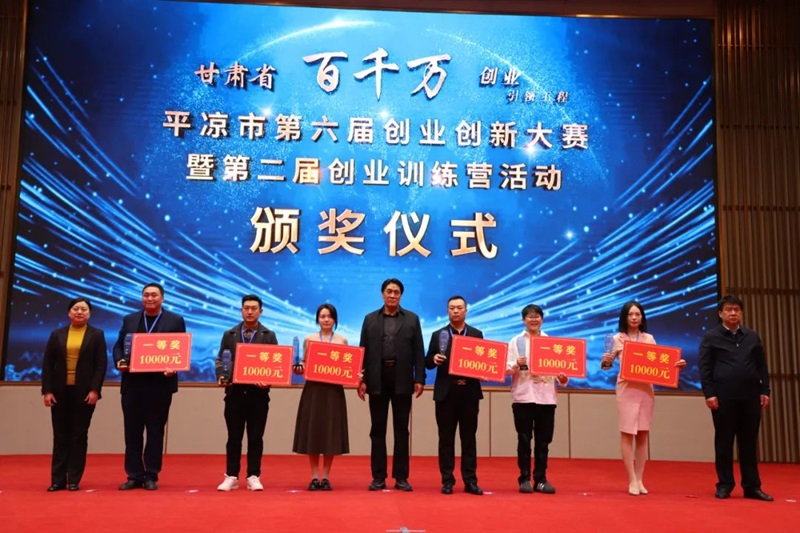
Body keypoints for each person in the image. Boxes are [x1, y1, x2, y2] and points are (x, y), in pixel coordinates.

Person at [601, 301, 686, 496]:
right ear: (624, 317)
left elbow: (659, 363)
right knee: (627, 433)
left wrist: (676, 365)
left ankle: (640, 479)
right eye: (630, 314)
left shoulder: (649, 338)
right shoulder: (617, 339)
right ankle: (631, 479)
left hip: (646, 390)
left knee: (642, 435)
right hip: (626, 390)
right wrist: (606, 361)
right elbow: (606, 367)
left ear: (642, 317)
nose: (633, 318)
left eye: (637, 314)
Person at [113, 282, 186, 491]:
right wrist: (119, 361)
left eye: (154, 295)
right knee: (132, 432)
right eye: (146, 295)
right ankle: (134, 475)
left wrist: (174, 368)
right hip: (133, 384)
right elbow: (119, 346)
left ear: (162, 298)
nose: (150, 298)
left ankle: (151, 474)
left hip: (160, 385)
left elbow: (180, 349)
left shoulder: (175, 320)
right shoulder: (130, 319)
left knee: (155, 432)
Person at [699, 295, 772, 501]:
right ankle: (724, 485)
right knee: (724, 442)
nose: (733, 313)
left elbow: (761, 365)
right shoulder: (711, 337)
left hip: (750, 396)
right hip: (723, 397)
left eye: (737, 310)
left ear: (741, 313)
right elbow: (705, 367)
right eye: (729, 310)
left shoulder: (751, 336)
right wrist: (709, 393)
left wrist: (765, 390)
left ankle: (752, 486)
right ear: (720, 313)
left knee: (749, 443)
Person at [358, 278, 425, 492]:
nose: (392, 295)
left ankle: (401, 477)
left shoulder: (412, 319)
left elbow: (418, 351)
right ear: (382, 294)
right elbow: (362, 350)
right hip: (376, 379)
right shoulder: (370, 319)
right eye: (389, 291)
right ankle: (378, 477)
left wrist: (419, 378)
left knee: (401, 430)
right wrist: (361, 379)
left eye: (396, 292)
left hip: (402, 378)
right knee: (377, 430)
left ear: (401, 295)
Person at [41, 297, 108, 492]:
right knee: (60, 435)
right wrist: (47, 390)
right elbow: (47, 364)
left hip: (84, 392)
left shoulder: (97, 334)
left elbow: (100, 364)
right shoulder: (57, 334)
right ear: (69, 313)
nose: (80, 312)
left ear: (90, 314)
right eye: (76, 309)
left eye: (84, 309)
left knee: (79, 435)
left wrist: (95, 389)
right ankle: (57, 480)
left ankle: (74, 479)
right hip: (59, 391)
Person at [215, 294, 277, 492]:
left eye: (253, 308)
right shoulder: (230, 334)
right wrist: (222, 376)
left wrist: (268, 381)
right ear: (241, 310)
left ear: (261, 311)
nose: (249, 311)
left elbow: (275, 363)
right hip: (234, 393)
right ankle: (231, 476)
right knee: (233, 437)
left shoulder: (268, 335)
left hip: (258, 395)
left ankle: (253, 476)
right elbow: (220, 360)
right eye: (246, 308)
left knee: (256, 437)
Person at [425, 295, 484, 495]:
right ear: (447, 311)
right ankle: (447, 480)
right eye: (452, 308)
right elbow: (427, 362)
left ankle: (470, 481)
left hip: (469, 392)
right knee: (446, 439)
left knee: (469, 438)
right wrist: (433, 359)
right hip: (446, 394)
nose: (456, 311)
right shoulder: (438, 335)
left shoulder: (476, 334)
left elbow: (483, 361)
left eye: (459, 308)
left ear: (466, 310)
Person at [506, 304, 568, 494]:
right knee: (524, 439)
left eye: (537, 316)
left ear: (542, 319)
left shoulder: (552, 343)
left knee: (543, 441)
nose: (534, 319)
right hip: (524, 396)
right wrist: (516, 365)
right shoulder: (515, 341)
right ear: (523, 320)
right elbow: (505, 369)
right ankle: (524, 478)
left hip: (546, 397)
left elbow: (560, 371)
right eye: (530, 317)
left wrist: (563, 378)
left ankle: (540, 479)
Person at [292, 303, 350, 491]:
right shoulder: (309, 339)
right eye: (322, 316)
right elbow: (304, 363)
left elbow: (347, 366)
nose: (326, 319)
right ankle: (314, 476)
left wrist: (355, 374)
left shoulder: (342, 340)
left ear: (335, 319)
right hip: (314, 390)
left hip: (333, 391)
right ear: (317, 319)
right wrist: (298, 367)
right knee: (314, 432)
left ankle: (326, 477)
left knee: (330, 433)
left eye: (329, 316)